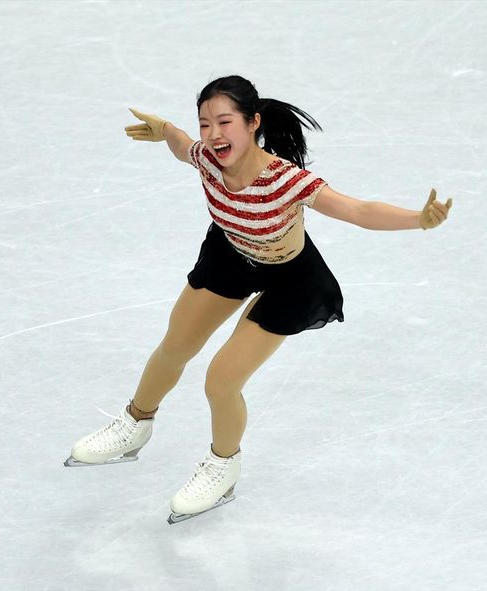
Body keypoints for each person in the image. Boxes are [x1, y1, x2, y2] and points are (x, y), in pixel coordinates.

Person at [64, 75, 452, 524]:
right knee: (175, 346)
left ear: (253, 123)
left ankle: (223, 466)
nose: (213, 134)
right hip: (232, 255)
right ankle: (136, 424)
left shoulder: (285, 181)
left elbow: (358, 210)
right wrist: (165, 129)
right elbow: (181, 143)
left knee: (221, 380)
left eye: (224, 122)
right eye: (205, 123)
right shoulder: (206, 158)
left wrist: (418, 220)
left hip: (292, 279)